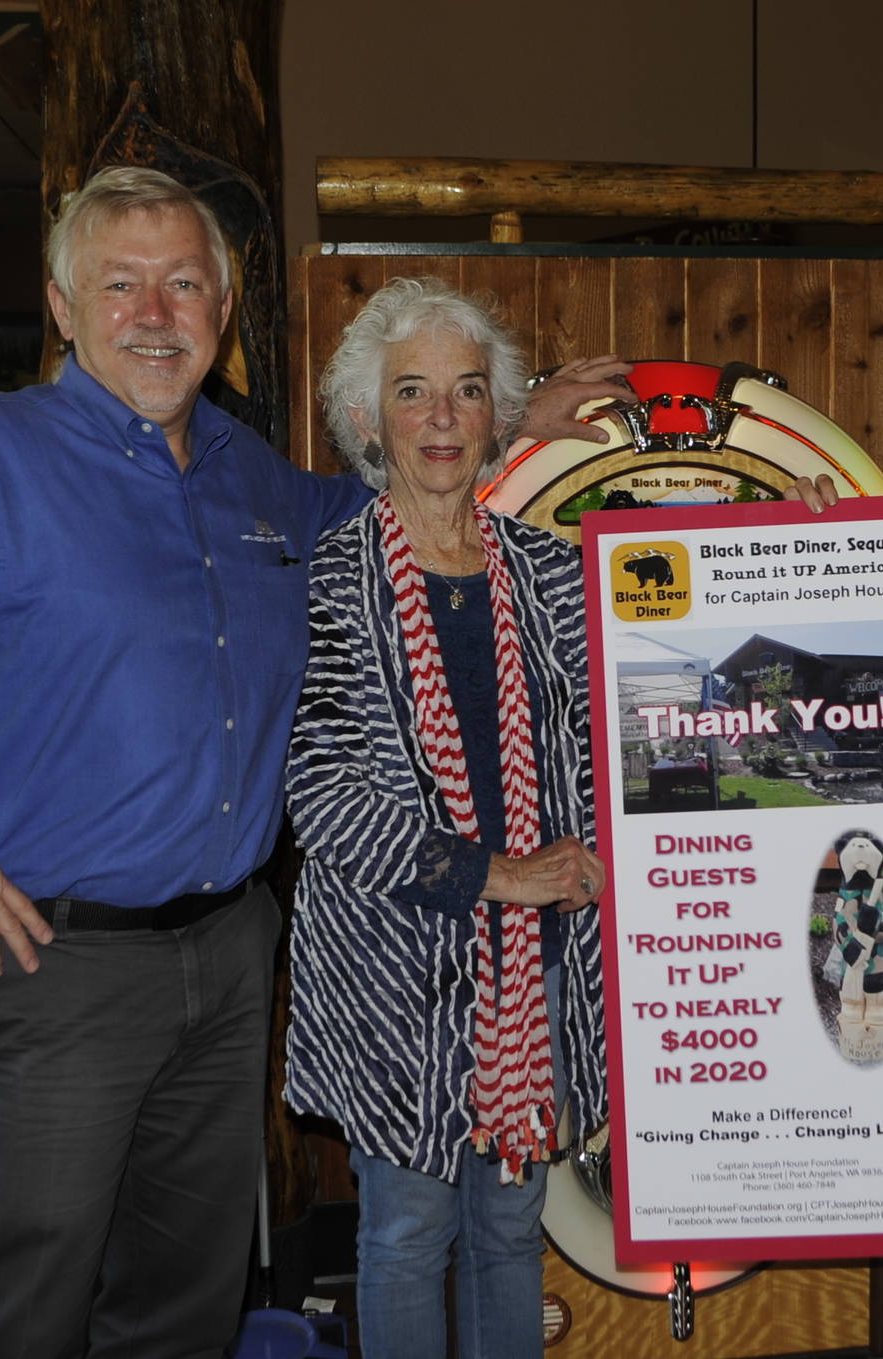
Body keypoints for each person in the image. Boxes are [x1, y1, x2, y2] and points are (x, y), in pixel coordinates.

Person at [0, 169, 629, 1359]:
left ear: (223, 309)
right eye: (120, 283)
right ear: (61, 305)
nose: (155, 312)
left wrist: (515, 418)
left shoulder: (251, 480)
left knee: (181, 1309)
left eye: (183, 283)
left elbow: (407, 500)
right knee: (15, 1313)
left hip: (228, 960)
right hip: (47, 965)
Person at [282, 277, 609, 1359]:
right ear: (366, 420)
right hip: (394, 975)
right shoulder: (327, 578)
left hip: (535, 968)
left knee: (513, 1229)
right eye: (412, 392)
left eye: (465, 392)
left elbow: (630, 732)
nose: (439, 418)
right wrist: (500, 877)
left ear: (493, 418)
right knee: (408, 1233)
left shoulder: (551, 573)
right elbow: (323, 799)